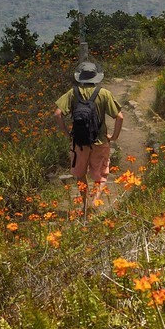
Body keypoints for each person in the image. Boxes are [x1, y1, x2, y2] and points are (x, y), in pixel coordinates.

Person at [53, 59, 123, 215]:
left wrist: (67, 133)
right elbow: (120, 117)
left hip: (79, 142)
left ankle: (84, 206)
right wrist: (115, 136)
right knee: (101, 176)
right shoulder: (104, 93)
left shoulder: (73, 93)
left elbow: (57, 114)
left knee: (80, 174)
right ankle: (94, 203)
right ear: (96, 77)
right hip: (100, 142)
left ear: (81, 77)